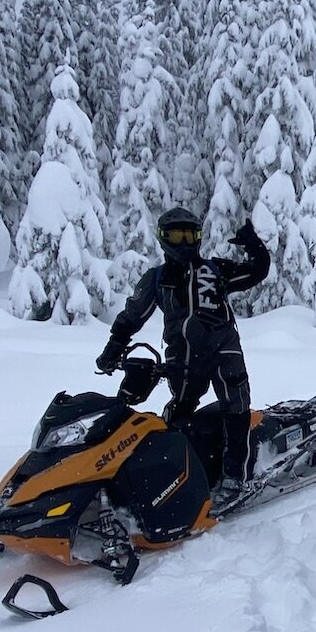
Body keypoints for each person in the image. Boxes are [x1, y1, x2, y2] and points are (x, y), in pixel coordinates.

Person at [98, 208, 270, 505]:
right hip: (183, 358)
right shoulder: (157, 279)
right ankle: (175, 474)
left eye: (191, 235)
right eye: (178, 235)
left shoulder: (215, 270)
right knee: (178, 414)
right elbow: (131, 315)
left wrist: (253, 244)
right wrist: (113, 347)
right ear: (164, 238)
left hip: (224, 349)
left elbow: (257, 271)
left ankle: (234, 477)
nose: (185, 242)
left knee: (236, 409)